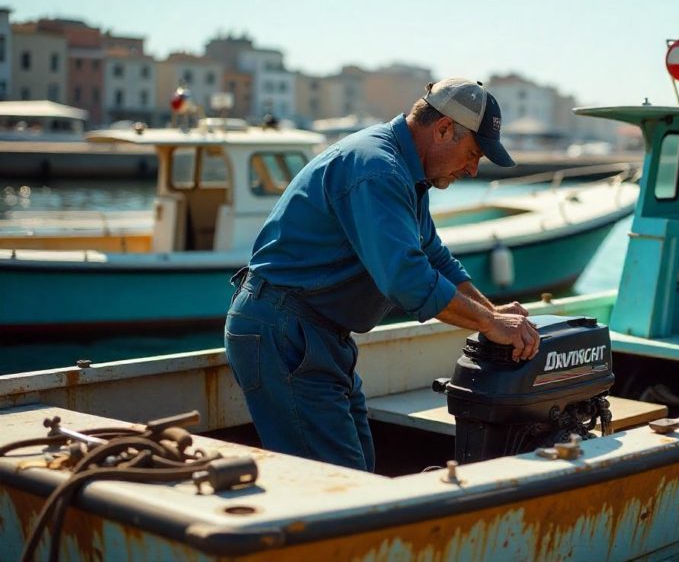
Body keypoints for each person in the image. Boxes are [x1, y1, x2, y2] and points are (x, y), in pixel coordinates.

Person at [224, 78, 541, 472]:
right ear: (443, 129)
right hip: (284, 330)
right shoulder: (378, 169)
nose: (474, 169)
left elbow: (434, 258)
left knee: (357, 472)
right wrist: (491, 323)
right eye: (474, 153)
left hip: (316, 334)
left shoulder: (406, 171)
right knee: (339, 489)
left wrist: (492, 313)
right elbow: (406, 279)